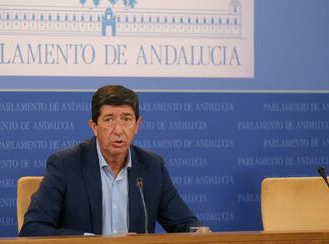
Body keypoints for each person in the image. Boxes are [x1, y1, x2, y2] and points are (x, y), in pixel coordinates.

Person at [19, 85, 204, 236]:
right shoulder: (65, 164)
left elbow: (184, 223)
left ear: (137, 125)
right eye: (109, 119)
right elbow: (32, 230)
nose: (118, 130)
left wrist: (199, 232)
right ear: (94, 127)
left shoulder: (152, 166)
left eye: (126, 119)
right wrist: (94, 242)